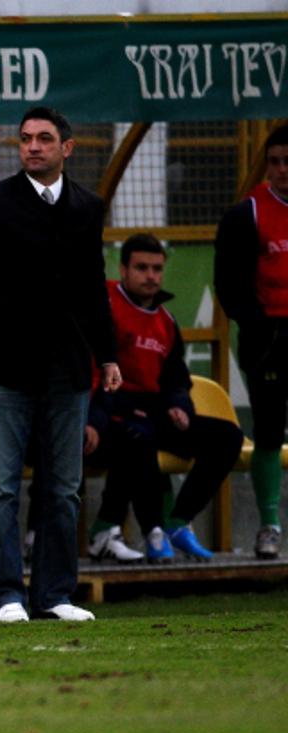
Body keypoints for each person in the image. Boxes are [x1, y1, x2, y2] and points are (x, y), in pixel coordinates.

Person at [0, 106, 122, 623]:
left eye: (44, 139)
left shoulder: (88, 207)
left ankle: (55, 594)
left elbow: (93, 288)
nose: (33, 147)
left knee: (63, 490)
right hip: (3, 370)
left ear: (67, 148)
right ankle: (6, 596)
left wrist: (107, 354)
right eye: (25, 139)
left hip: (68, 371)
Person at [84, 233, 244, 564]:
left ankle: (176, 522)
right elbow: (92, 370)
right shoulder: (104, 305)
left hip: (154, 412)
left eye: (157, 268)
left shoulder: (166, 322)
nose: (151, 276)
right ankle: (131, 529)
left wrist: (179, 405)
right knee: (136, 436)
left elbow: (175, 380)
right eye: (142, 268)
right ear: (123, 269)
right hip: (111, 409)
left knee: (228, 437)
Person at [215, 123, 288, 559]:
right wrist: (259, 327)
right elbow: (229, 283)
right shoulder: (247, 214)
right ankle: (270, 525)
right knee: (269, 432)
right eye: (274, 162)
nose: (281, 170)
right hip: (271, 337)